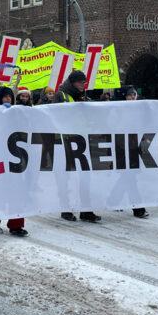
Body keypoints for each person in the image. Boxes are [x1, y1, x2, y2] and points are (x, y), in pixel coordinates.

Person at [58, 71, 101, 223]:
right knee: (66, 177)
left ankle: (86, 210)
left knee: (85, 177)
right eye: (81, 82)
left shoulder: (83, 97)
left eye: (84, 82)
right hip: (66, 141)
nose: (84, 84)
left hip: (81, 141)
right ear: (73, 82)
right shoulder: (61, 96)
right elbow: (59, 116)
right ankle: (66, 209)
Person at [0, 86, 29, 237]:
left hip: (14, 158)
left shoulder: (16, 113)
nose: (8, 99)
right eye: (4, 96)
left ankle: (16, 225)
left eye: (10, 96)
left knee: (17, 190)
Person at [121, 86, 149, 218]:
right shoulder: (118, 110)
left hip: (133, 149)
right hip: (121, 149)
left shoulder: (136, 111)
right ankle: (138, 208)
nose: (132, 97)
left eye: (134, 95)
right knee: (129, 178)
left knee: (127, 177)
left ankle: (113, 200)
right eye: (129, 95)